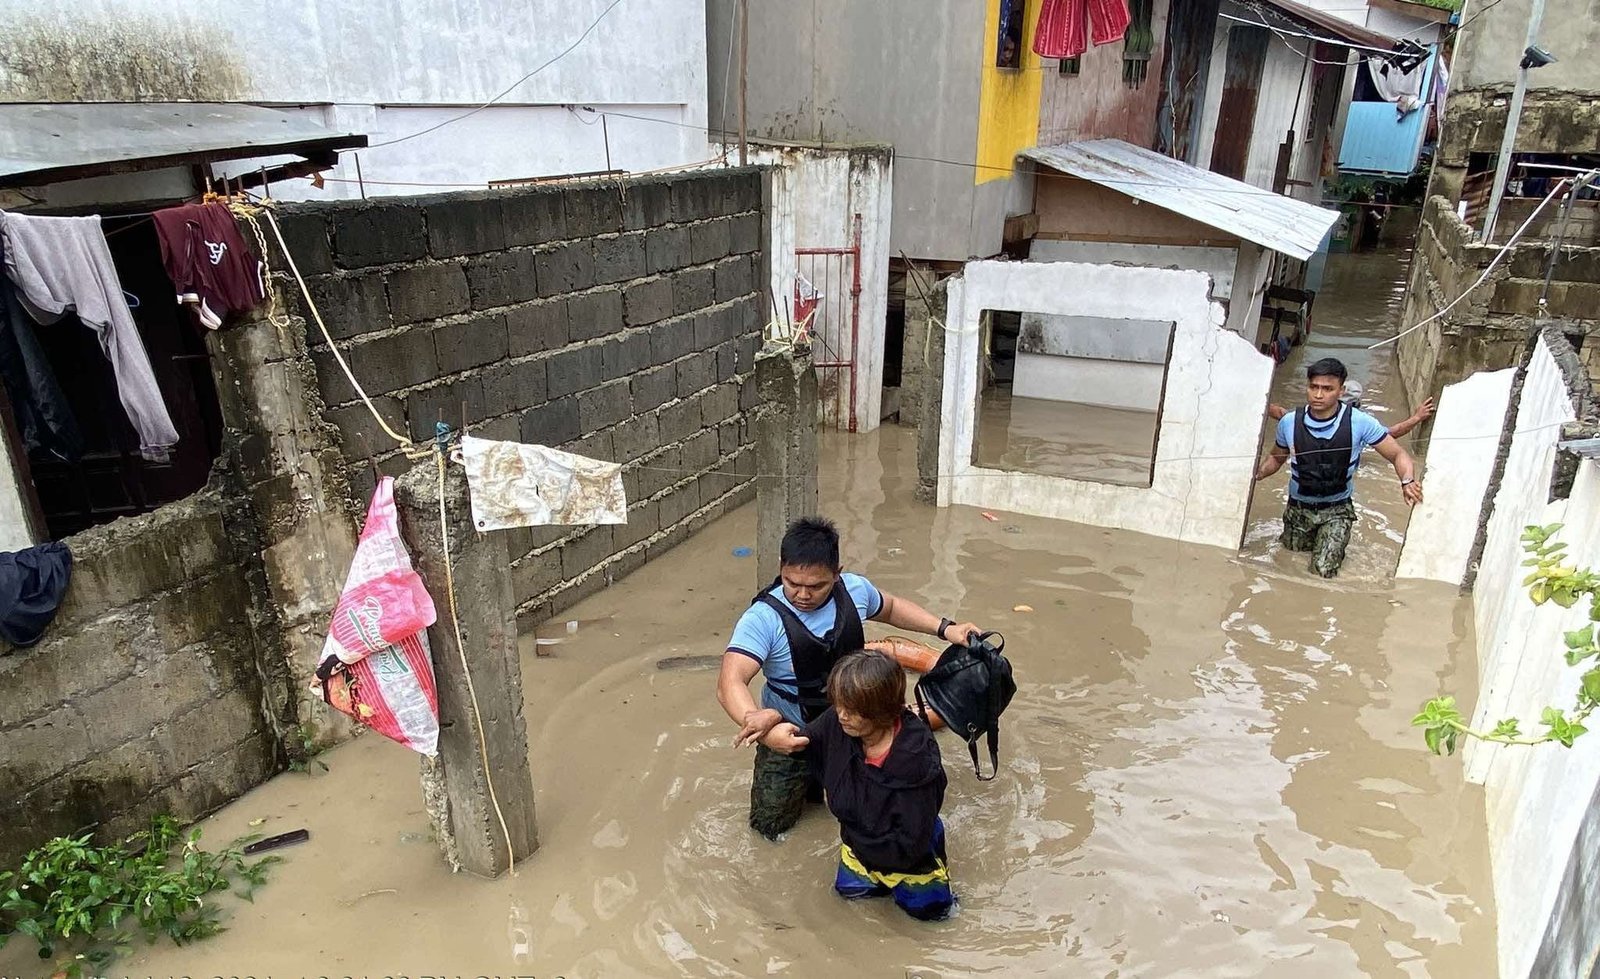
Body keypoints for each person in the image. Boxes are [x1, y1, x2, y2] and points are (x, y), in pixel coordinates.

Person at [717, 516, 982, 840]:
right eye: (792, 583)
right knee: (770, 827)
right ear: (781, 568)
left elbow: (892, 607)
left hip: (858, 729)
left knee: (869, 807)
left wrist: (946, 629)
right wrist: (759, 725)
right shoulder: (762, 619)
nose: (802, 594)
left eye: (816, 586)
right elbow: (730, 681)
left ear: (837, 573)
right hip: (788, 732)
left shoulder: (855, 591)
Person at [767, 650, 955, 921]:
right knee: (848, 898)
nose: (841, 715)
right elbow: (802, 743)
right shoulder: (839, 723)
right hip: (858, 847)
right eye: (839, 703)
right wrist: (771, 722)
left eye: (852, 710)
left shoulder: (916, 762)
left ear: (882, 710)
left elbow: (912, 836)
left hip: (910, 862)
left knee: (931, 917)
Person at [1254, 357, 1423, 578]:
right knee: (1288, 563)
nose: (1318, 394)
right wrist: (1256, 474)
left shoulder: (1361, 422)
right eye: (1314, 387)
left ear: (1341, 391)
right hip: (1298, 509)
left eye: (1327, 389)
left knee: (1323, 570)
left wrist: (1407, 481)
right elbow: (1276, 459)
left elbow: (1398, 454)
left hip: (1337, 509)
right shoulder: (1289, 422)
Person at [1267, 382, 1435, 440]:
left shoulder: (1305, 416)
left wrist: (1261, 404)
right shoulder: (1358, 423)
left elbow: (1282, 414)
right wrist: (1417, 417)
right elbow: (1392, 433)